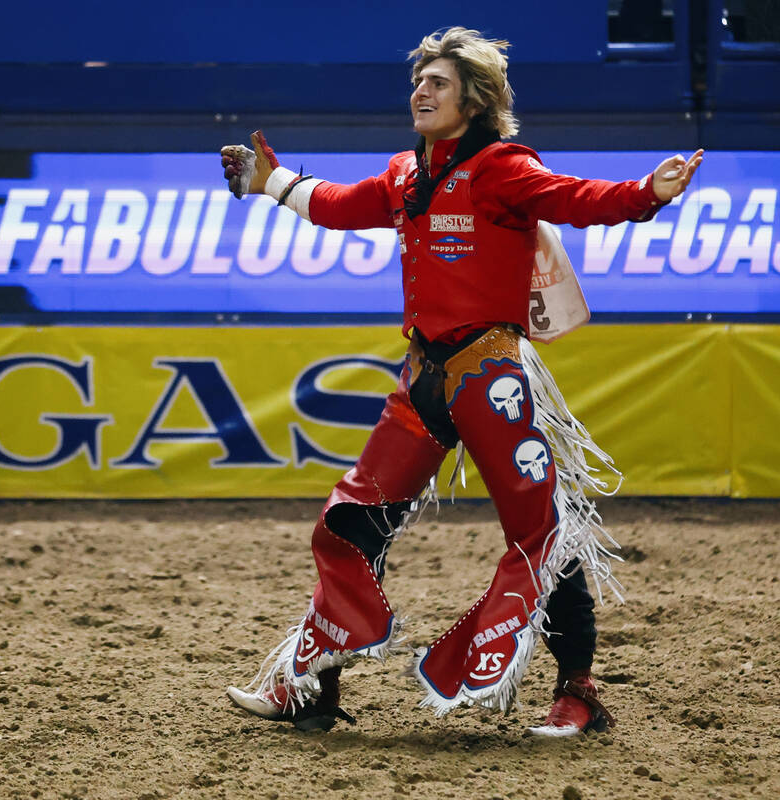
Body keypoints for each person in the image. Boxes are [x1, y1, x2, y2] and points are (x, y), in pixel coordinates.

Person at [219, 26, 702, 736]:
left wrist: (644, 194)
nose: (421, 90)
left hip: (491, 379)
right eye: (418, 81)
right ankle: (312, 687)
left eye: (438, 82)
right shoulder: (404, 174)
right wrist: (273, 184)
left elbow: (576, 197)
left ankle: (579, 692)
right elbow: (341, 205)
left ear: (474, 101)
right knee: (351, 524)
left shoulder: (504, 167)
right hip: (423, 380)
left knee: (544, 534)